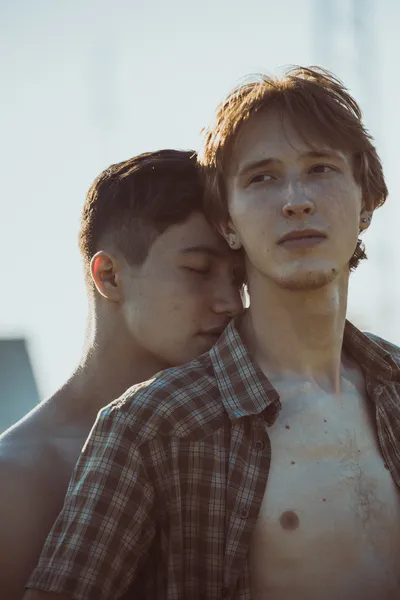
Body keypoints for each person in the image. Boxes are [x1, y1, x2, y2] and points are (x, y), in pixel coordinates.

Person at [24, 68, 400, 600]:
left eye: (321, 168)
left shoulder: (395, 389)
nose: (296, 199)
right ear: (228, 221)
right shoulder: (153, 426)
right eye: (262, 177)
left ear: (366, 204)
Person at [0, 149, 243, 600]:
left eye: (239, 278)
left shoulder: (242, 444)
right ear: (109, 276)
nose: (231, 302)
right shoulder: (14, 480)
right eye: (199, 270)